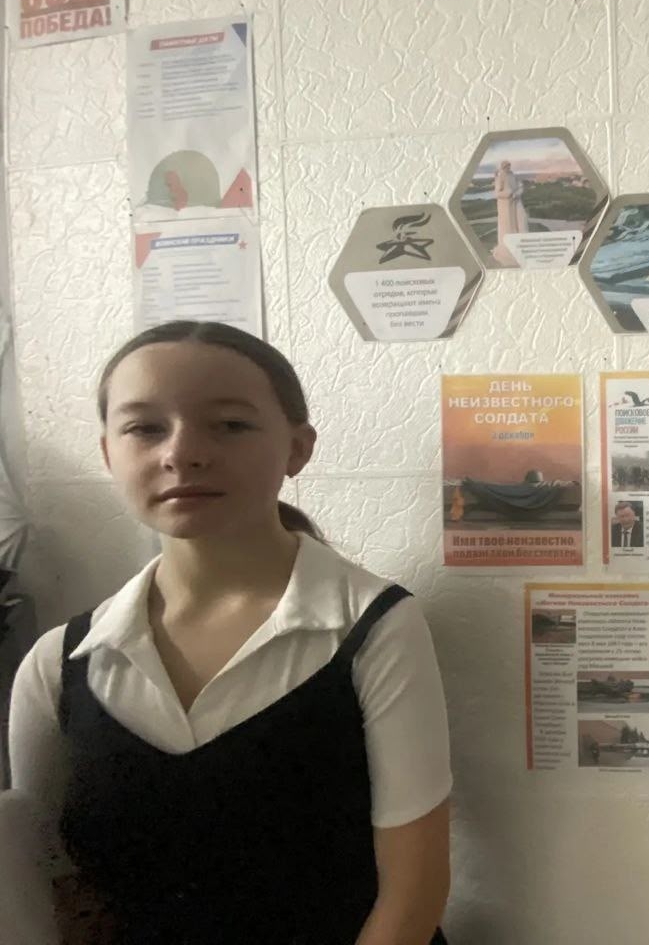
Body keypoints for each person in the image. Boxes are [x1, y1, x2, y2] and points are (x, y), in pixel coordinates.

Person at [7, 322, 451, 945]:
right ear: (108, 453)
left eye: (230, 425)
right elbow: (46, 884)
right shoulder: (59, 663)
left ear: (298, 448)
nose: (182, 453)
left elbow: (414, 894)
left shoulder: (374, 628)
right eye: (145, 428)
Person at [492, 159, 530, 266]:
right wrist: (508, 193)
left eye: (509, 165)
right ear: (503, 167)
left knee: (521, 222)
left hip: (514, 203)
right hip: (505, 206)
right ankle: (508, 250)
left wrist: (516, 193)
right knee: (507, 227)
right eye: (506, 166)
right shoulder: (500, 176)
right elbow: (497, 193)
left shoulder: (512, 175)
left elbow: (520, 186)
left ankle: (520, 246)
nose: (508, 167)